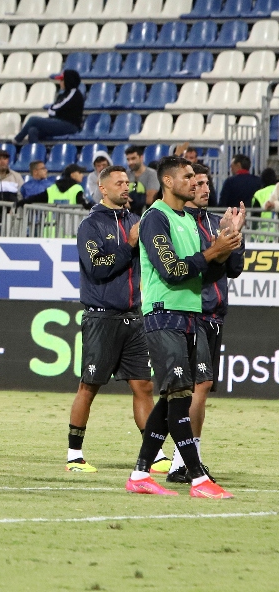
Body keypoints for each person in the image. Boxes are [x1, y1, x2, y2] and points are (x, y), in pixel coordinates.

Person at [126, 156, 240, 499]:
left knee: (175, 395)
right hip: (164, 314)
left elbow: (211, 274)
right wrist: (212, 252)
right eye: (188, 177)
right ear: (169, 182)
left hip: (191, 315)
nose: (195, 182)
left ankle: (140, 474)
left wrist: (227, 244)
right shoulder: (155, 218)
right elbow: (171, 270)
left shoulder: (188, 220)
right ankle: (197, 478)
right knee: (179, 395)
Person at [65, 165, 159, 473]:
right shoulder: (90, 225)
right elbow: (97, 267)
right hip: (102, 318)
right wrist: (128, 245)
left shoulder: (135, 220)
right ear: (103, 189)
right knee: (89, 386)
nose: (126, 187)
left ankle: (154, 454)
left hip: (134, 317)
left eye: (128, 183)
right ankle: (73, 455)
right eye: (119, 183)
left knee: (143, 385)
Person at [167, 165, 245, 484]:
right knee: (194, 389)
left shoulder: (215, 222)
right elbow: (195, 269)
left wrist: (233, 235)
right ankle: (183, 461)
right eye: (197, 183)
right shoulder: (179, 225)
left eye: (207, 183)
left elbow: (235, 269)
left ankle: (183, 459)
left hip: (215, 315)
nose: (204, 189)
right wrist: (220, 243)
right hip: (191, 313)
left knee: (200, 391)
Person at [15, 70, 85, 144]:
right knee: (32, 130)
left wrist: (54, 111)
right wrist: (54, 111)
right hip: (59, 123)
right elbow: (52, 110)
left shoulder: (75, 94)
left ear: (68, 81)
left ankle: (17, 139)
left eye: (62, 80)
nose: (60, 82)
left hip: (70, 126)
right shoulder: (63, 94)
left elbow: (55, 108)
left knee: (33, 120)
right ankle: (38, 152)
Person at [18, 164, 91, 209]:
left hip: (51, 230)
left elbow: (34, 199)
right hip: (69, 232)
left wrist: (20, 203)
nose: (82, 175)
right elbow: (87, 204)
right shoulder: (77, 189)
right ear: (72, 175)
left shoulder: (52, 188)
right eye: (80, 172)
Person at [125, 145, 159, 214]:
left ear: (141, 157)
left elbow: (150, 199)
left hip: (146, 214)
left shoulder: (152, 174)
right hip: (128, 214)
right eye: (128, 159)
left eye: (133, 158)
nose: (130, 162)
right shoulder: (126, 174)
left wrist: (127, 199)